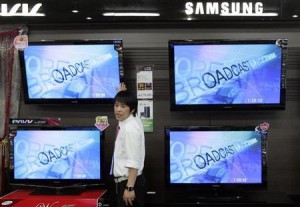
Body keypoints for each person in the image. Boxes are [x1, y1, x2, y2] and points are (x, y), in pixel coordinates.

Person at [111, 87, 147, 207]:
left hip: (129, 183)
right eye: (116, 105)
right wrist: (120, 94)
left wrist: (129, 188)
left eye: (123, 106)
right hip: (127, 182)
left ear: (132, 110)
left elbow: (133, 162)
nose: (118, 110)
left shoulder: (130, 129)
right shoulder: (131, 120)